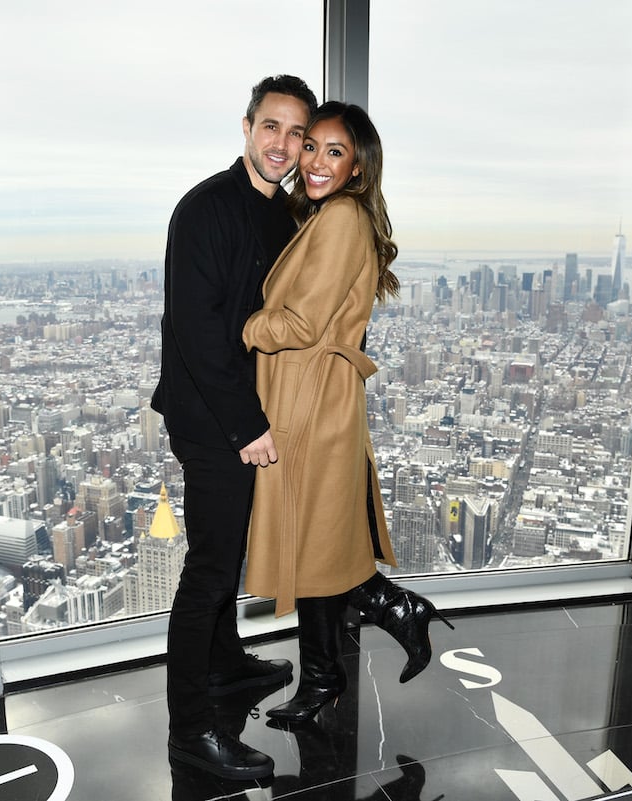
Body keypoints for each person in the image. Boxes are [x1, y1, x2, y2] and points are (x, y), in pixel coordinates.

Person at [241, 101, 454, 724]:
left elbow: (301, 324)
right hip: (320, 395)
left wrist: (243, 324)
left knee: (315, 547)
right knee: (321, 546)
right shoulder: (333, 216)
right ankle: (360, 644)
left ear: (357, 165)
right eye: (312, 147)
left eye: (334, 151)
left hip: (308, 399)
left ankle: (334, 669)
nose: (313, 161)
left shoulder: (337, 219)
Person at [151, 74, 318, 779]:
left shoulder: (281, 217)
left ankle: (226, 667)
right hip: (210, 417)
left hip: (243, 414)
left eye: (295, 134)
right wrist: (247, 424)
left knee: (225, 557)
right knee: (211, 569)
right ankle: (191, 730)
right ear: (246, 127)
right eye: (270, 127)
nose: (282, 145)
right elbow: (195, 331)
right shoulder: (205, 209)